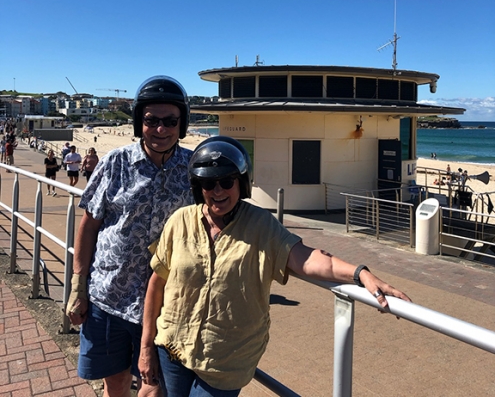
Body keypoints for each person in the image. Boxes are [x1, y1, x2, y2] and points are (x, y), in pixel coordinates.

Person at [139, 137, 412, 396]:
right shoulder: (180, 221)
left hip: (226, 360)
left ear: (242, 183)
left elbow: (305, 257)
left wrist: (359, 273)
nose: (218, 191)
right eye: (209, 184)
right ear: (198, 187)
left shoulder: (261, 225)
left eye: (227, 181)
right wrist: (146, 348)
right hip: (173, 348)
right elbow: (157, 282)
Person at [66, 75, 194, 397]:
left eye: (170, 121)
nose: (161, 129)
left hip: (164, 307)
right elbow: (88, 226)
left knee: (155, 387)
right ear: (140, 122)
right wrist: (78, 287)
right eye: (151, 120)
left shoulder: (194, 170)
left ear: (182, 124)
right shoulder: (114, 163)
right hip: (108, 297)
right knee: (116, 385)